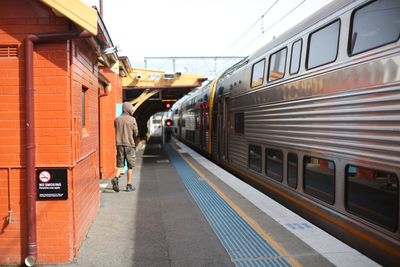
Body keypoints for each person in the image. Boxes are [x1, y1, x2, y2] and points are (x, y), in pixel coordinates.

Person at [111, 102, 139, 192]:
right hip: (129, 145)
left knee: (120, 165)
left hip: (119, 145)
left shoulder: (117, 120)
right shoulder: (132, 119)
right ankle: (128, 185)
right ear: (128, 109)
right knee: (130, 166)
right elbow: (136, 133)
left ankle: (115, 178)